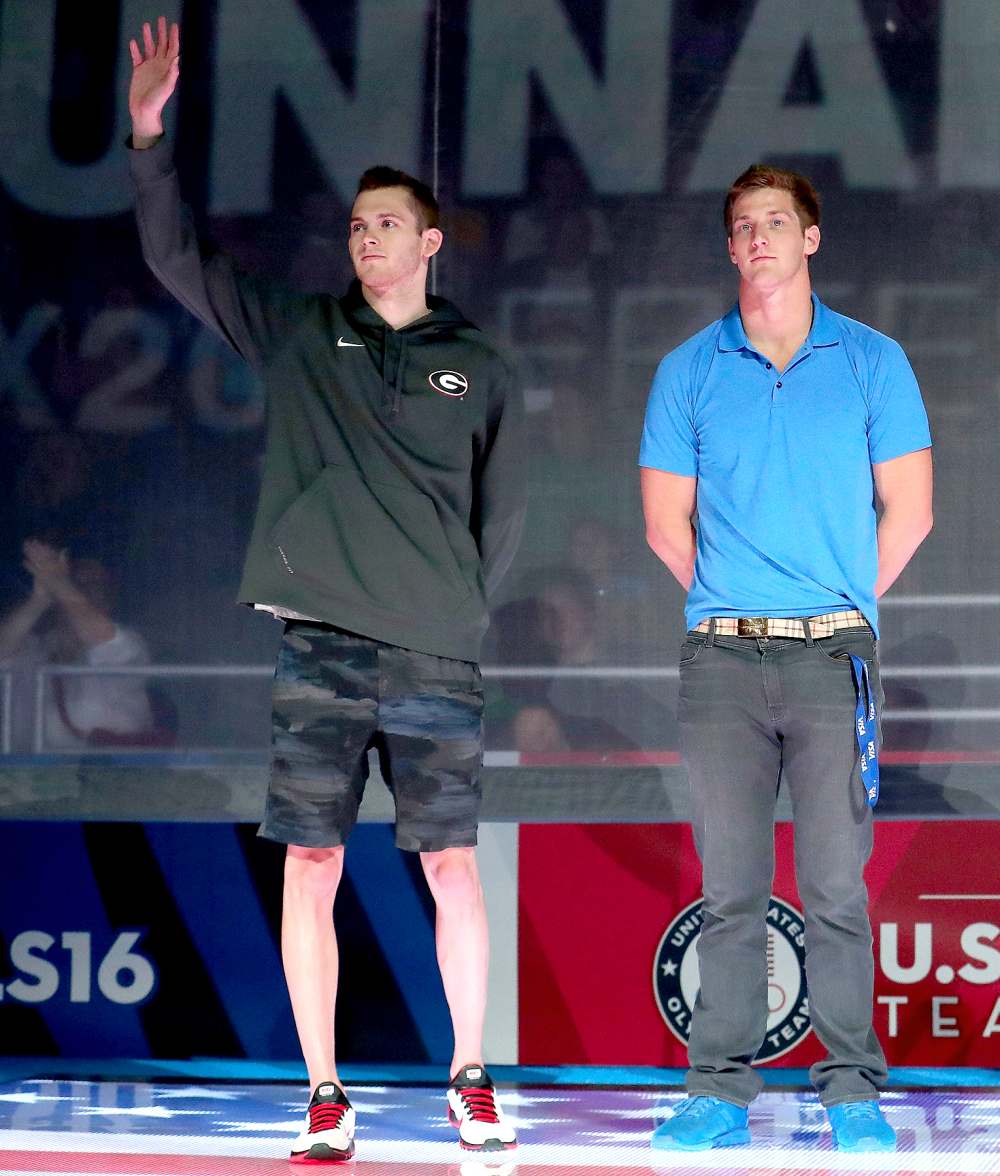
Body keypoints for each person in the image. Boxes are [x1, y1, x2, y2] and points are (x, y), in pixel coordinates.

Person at [127, 17, 525, 1164]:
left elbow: (504, 522)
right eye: (356, 225)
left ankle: (469, 1078)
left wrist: (451, 608)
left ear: (431, 241)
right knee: (312, 859)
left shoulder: (481, 363)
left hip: (436, 653)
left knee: (452, 861)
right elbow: (176, 261)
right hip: (322, 649)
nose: (366, 239)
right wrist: (147, 138)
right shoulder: (302, 335)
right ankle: (323, 1092)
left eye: (388, 224)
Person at [639, 164, 932, 1154]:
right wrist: (740, 605)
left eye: (777, 222)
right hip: (721, 662)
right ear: (728, 248)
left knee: (837, 884)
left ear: (811, 238)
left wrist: (835, 604)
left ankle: (852, 1089)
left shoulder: (871, 361)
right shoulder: (689, 368)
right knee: (729, 886)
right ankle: (718, 1089)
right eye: (743, 226)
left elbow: (913, 510)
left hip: (832, 661)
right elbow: (663, 525)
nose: (759, 238)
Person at [0, 540, 155, 750]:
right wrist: (40, 599)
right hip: (27, 777)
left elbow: (107, 641)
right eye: (76, 583)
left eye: (93, 584)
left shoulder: (131, 644)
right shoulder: (35, 648)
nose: (82, 590)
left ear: (110, 598)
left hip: (106, 775)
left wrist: (58, 582)